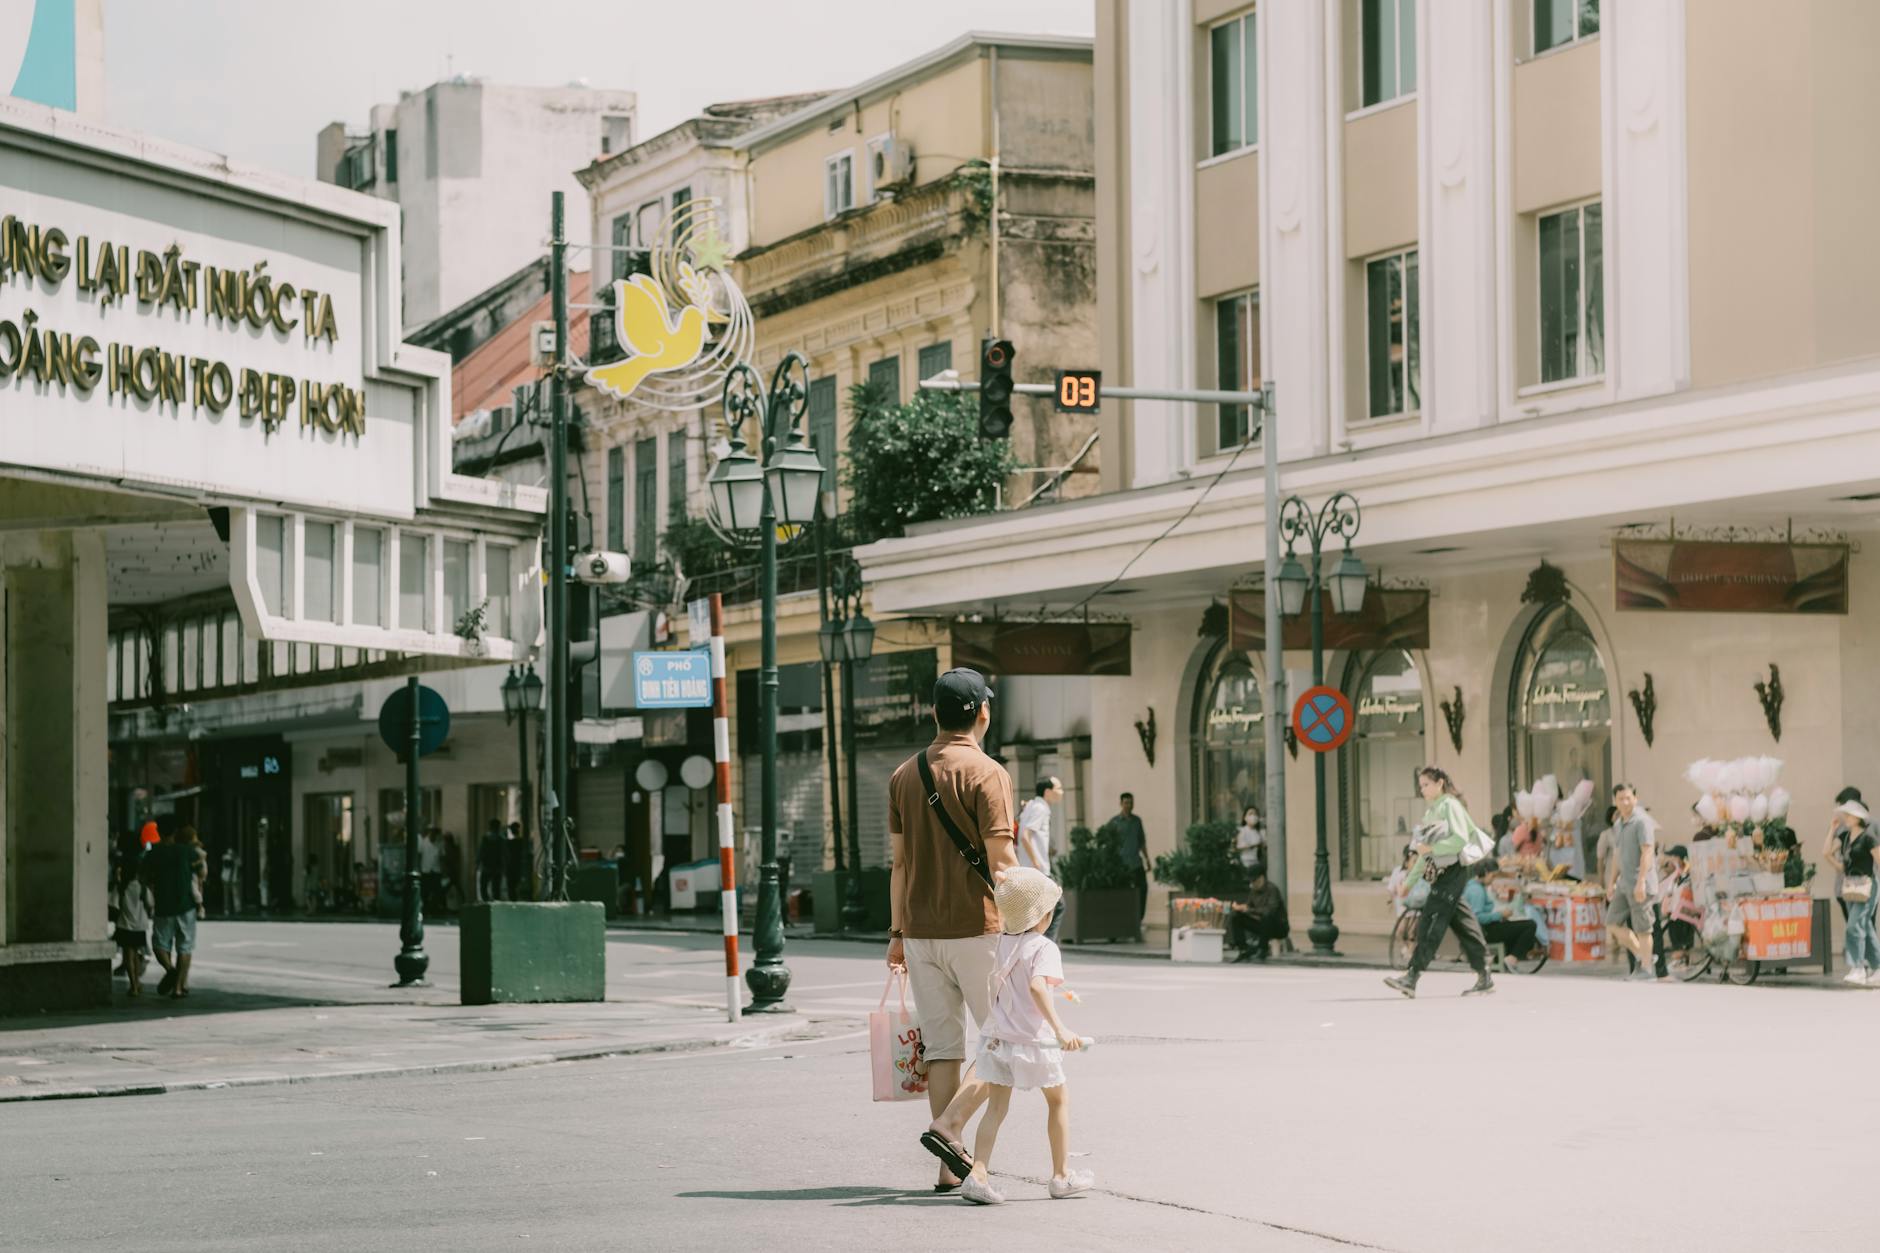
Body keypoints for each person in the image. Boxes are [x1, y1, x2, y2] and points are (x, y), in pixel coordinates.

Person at [886, 667, 1018, 1193]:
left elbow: (897, 864)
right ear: (983, 713)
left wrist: (896, 933)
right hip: (979, 928)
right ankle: (953, 1127)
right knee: (1006, 1039)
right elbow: (1002, 862)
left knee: (944, 1048)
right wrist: (1028, 924)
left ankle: (948, 1166)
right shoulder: (989, 774)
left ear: (934, 712)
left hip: (918, 931)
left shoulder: (902, 775)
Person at [919, 866, 1090, 1205]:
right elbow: (1037, 986)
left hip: (999, 1041)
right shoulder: (1044, 948)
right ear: (1043, 914)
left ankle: (978, 1175)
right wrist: (1060, 1028)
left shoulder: (1002, 944)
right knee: (1058, 1102)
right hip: (1034, 1042)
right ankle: (1060, 1176)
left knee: (996, 1109)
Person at [1384, 767, 1494, 999]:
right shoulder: (1431, 812)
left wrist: (1432, 849)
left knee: (1431, 919)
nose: (1422, 789)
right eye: (1420, 785)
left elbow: (1459, 839)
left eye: (1426, 784)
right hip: (1445, 871)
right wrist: (1409, 882)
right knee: (1460, 919)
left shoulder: (1449, 805)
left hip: (1454, 869)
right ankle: (1484, 973)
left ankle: (1412, 976)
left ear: (1440, 783)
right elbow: (1425, 856)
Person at [1605, 784, 1658, 980]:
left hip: (1639, 883)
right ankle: (1643, 956)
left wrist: (1641, 881)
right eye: (1621, 799)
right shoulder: (1619, 825)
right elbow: (1617, 855)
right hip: (1623, 883)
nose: (1625, 802)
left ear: (1635, 798)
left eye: (1628, 798)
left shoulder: (1642, 822)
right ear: (1615, 801)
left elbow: (1647, 851)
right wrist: (1611, 882)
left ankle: (1647, 970)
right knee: (1612, 924)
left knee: (1643, 928)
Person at [1827, 799, 1879, 984]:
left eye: (1848, 815)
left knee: (1853, 926)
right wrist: (1832, 829)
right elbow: (1827, 853)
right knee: (1866, 927)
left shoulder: (1868, 837)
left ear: (1857, 817)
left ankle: (1858, 967)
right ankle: (1877, 967)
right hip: (1851, 886)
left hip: (1867, 885)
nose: (1845, 818)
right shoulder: (1847, 838)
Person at [145, 825, 199, 999]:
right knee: (185, 946)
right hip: (185, 905)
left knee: (160, 944)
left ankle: (170, 970)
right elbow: (199, 861)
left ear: (160, 833)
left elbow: (144, 874)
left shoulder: (154, 853)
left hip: (163, 905)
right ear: (175, 833)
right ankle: (177, 988)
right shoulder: (185, 851)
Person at [1462, 859, 1539, 967]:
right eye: (1492, 876)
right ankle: (1512, 958)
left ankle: (1505, 957)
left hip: (1482, 930)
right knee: (1530, 925)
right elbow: (1477, 917)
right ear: (1485, 873)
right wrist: (1500, 915)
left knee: (1514, 926)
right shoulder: (1476, 891)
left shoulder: (1473, 887)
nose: (1493, 879)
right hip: (1484, 932)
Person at [1016, 777, 1065, 939]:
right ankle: (1046, 944)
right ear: (1048, 791)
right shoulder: (1040, 809)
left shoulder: (1032, 805)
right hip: (1038, 870)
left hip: (1029, 868)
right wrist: (1036, 861)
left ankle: (1037, 944)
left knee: (1037, 912)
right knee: (1057, 905)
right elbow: (1025, 836)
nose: (1061, 792)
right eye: (1058, 788)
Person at [1228, 862, 1287, 962]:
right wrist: (1241, 908)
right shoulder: (1253, 891)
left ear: (1262, 878)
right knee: (1236, 916)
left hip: (1278, 926)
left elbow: (1271, 910)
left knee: (1267, 916)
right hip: (1262, 926)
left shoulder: (1272, 890)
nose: (1252, 884)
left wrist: (1249, 910)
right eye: (1250, 881)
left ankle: (1262, 950)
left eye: (1254, 881)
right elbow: (1249, 906)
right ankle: (1243, 949)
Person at [1105, 793, 1150, 925]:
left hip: (1135, 862)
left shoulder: (1137, 821)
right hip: (1121, 865)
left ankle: (1139, 919)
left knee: (1143, 889)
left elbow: (1142, 842)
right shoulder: (1114, 822)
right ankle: (1124, 920)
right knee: (1124, 893)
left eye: (1130, 803)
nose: (1128, 805)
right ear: (1121, 804)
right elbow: (1108, 843)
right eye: (1126, 803)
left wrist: (1147, 859)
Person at [112, 863, 154, 998]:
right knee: (136, 954)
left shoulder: (121, 888)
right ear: (137, 874)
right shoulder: (143, 889)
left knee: (128, 956)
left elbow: (113, 905)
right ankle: (137, 982)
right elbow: (150, 904)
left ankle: (133, 985)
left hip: (124, 925)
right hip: (139, 926)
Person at [1823, 787, 1866, 920]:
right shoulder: (1842, 829)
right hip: (1846, 887)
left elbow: (1828, 851)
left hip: (1859, 887)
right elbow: (1827, 852)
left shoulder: (1858, 829)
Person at [1385, 844, 1431, 917]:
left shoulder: (1421, 873)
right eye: (1414, 861)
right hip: (1403, 905)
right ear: (1406, 862)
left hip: (1418, 906)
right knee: (1403, 924)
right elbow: (1392, 889)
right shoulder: (1399, 872)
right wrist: (1390, 899)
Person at [478, 819, 508, 902]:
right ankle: (495, 903)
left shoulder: (485, 839)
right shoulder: (501, 840)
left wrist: (478, 863)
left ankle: (486, 901)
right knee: (496, 888)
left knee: (483, 886)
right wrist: (504, 867)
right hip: (497, 868)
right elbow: (504, 854)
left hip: (487, 867)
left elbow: (481, 852)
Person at [1234, 805, 1266, 870]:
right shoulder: (1242, 831)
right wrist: (1254, 845)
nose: (1253, 816)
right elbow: (1239, 846)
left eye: (1255, 814)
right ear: (1245, 817)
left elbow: (1264, 845)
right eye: (1250, 814)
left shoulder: (1258, 832)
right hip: (1245, 862)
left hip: (1256, 861)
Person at [505, 822, 530, 902]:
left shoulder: (509, 843)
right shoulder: (523, 842)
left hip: (512, 867)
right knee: (517, 886)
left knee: (512, 888)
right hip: (519, 867)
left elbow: (506, 856)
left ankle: (514, 900)